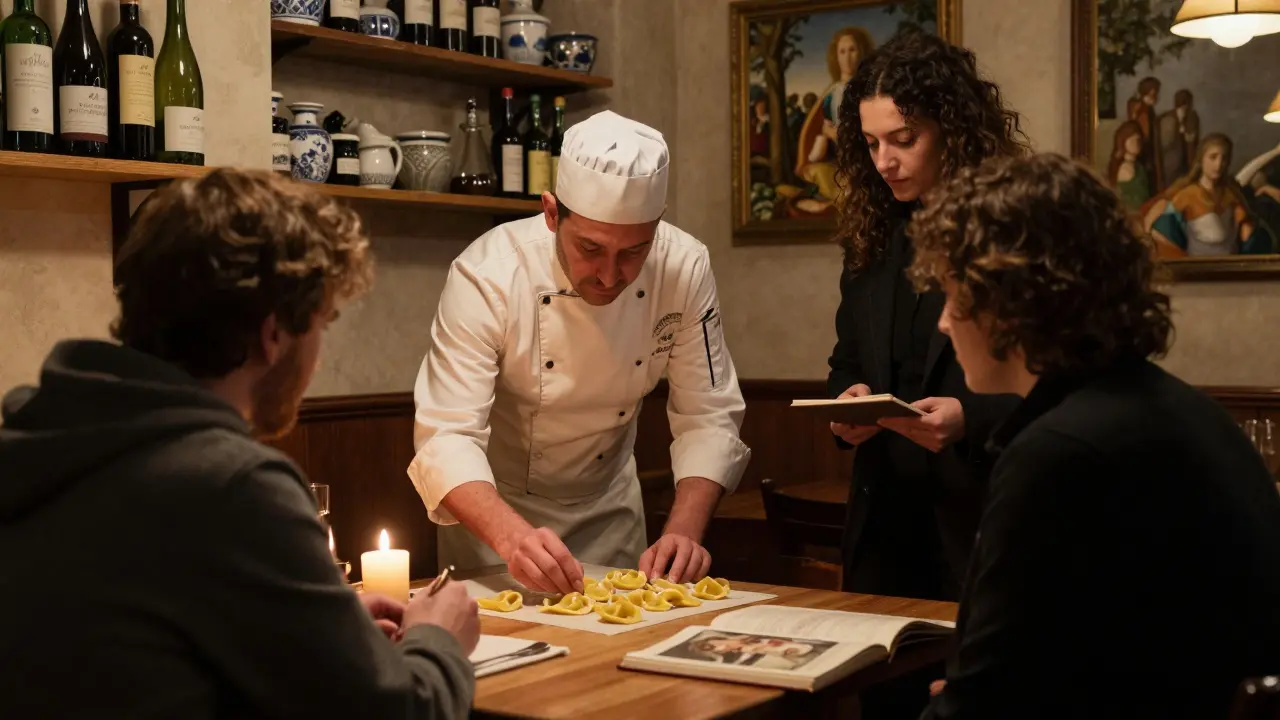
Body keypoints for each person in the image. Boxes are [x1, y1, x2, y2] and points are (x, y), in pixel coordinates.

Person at [0, 169, 479, 718]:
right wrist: (438, 639)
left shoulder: (46, 436)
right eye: (322, 324)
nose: (318, 358)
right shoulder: (232, 484)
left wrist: (316, 626)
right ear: (274, 334)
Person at [911, 153, 1280, 719]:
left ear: (1012, 298)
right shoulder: (1180, 409)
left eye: (955, 293)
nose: (943, 321)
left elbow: (979, 704)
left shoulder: (1059, 453)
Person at [409, 110, 750, 595]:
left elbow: (709, 415)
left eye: (634, 251)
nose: (611, 275)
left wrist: (683, 533)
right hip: (494, 525)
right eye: (590, 248)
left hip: (610, 517)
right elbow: (446, 436)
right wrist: (513, 538)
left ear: (658, 224)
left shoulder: (684, 267)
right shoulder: (487, 274)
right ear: (551, 214)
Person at [826, 30, 1027, 602]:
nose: (884, 161)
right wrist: (847, 406)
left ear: (952, 131)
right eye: (869, 143)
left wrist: (971, 416)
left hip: (981, 520)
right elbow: (846, 363)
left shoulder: (1009, 228)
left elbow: (1059, 379)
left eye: (903, 139)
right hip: (885, 526)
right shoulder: (872, 237)